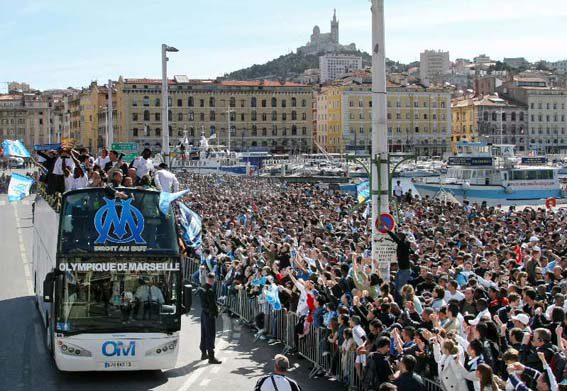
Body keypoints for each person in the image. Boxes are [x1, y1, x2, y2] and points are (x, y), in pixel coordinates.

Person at [201, 272, 222, 364]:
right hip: (209, 315)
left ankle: (203, 353)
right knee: (210, 335)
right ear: (212, 280)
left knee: (204, 334)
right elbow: (212, 304)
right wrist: (217, 311)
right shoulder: (210, 290)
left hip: (203, 313)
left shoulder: (202, 287)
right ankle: (211, 357)